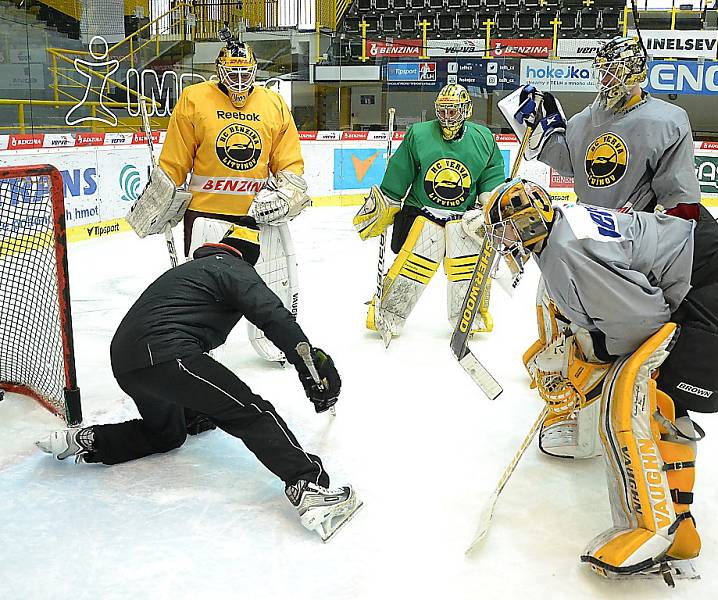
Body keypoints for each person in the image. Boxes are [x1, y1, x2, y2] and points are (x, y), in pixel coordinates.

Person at [482, 179, 718, 583]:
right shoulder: (557, 233)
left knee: (632, 390)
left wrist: (587, 370)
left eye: (505, 230)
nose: (502, 241)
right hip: (699, 276)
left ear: (526, 223)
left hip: (712, 299)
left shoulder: (565, 251)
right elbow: (595, 305)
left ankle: (658, 529)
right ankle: (680, 524)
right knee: (639, 379)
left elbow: (641, 323)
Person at [36, 220, 361, 542]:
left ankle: (91, 440)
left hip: (127, 364)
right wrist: (308, 364)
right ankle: (309, 487)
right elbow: (272, 314)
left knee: (167, 434)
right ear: (248, 255)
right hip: (168, 354)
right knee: (249, 410)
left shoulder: (195, 270)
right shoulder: (233, 268)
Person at [500, 36, 703, 458]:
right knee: (558, 312)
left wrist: (667, 247)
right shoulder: (589, 117)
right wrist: (535, 126)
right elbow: (565, 157)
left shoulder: (667, 119)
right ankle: (570, 404)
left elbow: (680, 199)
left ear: (637, 73)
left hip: (630, 245)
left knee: (622, 335)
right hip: (579, 237)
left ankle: (654, 404)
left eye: (615, 70)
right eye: (603, 69)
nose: (606, 78)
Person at [148, 36, 310, 362]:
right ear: (219, 70)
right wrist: (160, 200)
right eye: (232, 73)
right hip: (205, 215)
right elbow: (174, 160)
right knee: (207, 294)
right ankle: (194, 350)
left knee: (261, 289)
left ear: (255, 72)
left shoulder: (273, 104)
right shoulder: (195, 99)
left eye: (245, 73)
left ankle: (275, 340)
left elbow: (289, 162)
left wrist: (289, 194)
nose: (239, 81)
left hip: (255, 216)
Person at [353, 84, 507, 343]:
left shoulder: (484, 139)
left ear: (466, 110)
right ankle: (388, 313)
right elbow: (399, 174)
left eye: (453, 111)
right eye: (442, 111)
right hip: (423, 215)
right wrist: (385, 205)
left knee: (466, 271)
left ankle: (469, 316)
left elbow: (490, 180)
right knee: (411, 269)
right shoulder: (419, 134)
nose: (447, 117)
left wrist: (487, 209)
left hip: (463, 220)